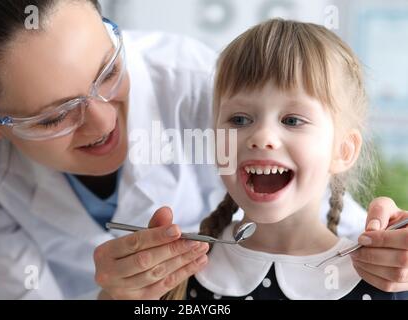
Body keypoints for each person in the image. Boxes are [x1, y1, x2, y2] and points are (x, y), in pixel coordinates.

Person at [0, 1, 406, 300]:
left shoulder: (198, 81)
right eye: (54, 116)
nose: (103, 121)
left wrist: (390, 250)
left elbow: (327, 211)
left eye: (108, 70)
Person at [165, 19, 408, 300]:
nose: (261, 136)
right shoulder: (178, 274)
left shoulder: (387, 282)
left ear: (343, 150)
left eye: (292, 120)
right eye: (239, 119)